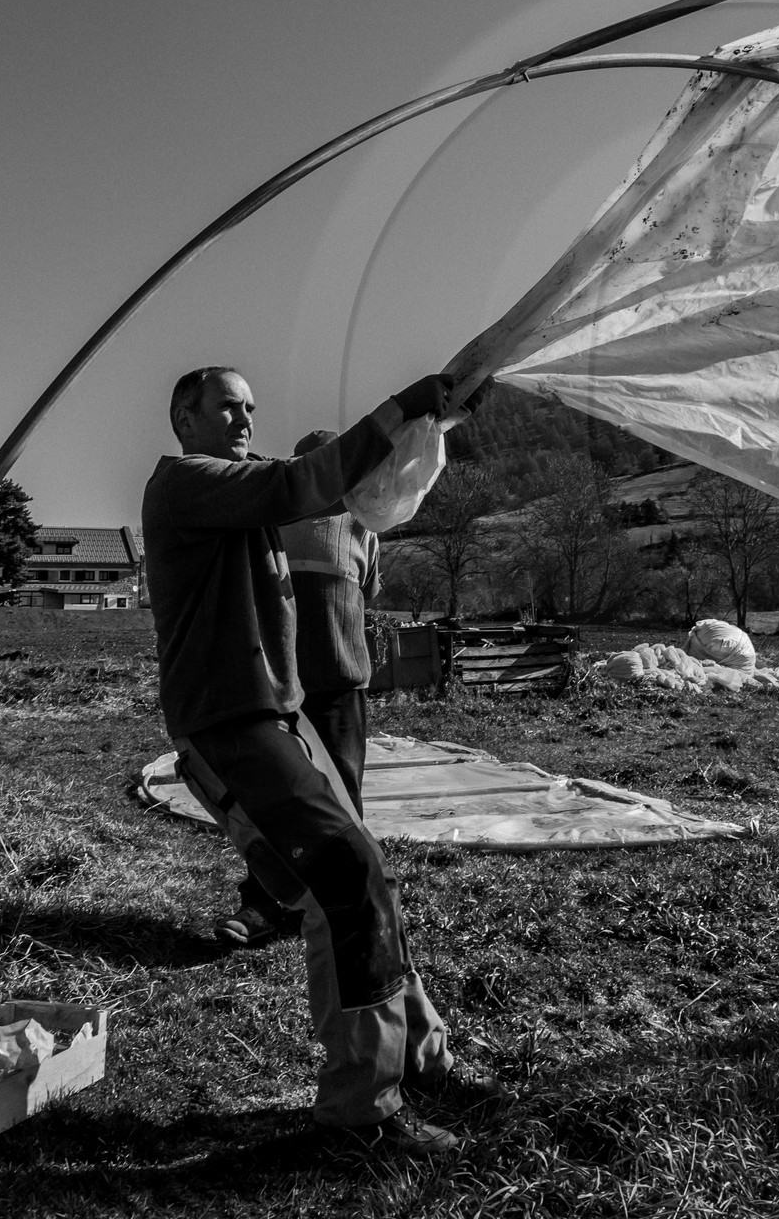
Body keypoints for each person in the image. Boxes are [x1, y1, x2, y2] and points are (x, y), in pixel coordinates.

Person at [143, 365, 498, 1155]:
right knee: (341, 879)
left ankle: (418, 1058)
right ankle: (360, 1113)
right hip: (229, 724)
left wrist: (436, 426)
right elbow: (304, 481)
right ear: (185, 419)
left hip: (280, 715)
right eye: (226, 406)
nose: (244, 418)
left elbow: (348, 490)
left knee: (367, 873)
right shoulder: (185, 483)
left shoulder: (241, 493)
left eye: (250, 407)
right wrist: (402, 405)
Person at [214, 428, 381, 950]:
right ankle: (264, 903)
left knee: (342, 795)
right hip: (280, 684)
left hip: (342, 678)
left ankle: (343, 901)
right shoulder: (272, 518)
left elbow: (368, 591)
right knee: (278, 795)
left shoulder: (362, 523)